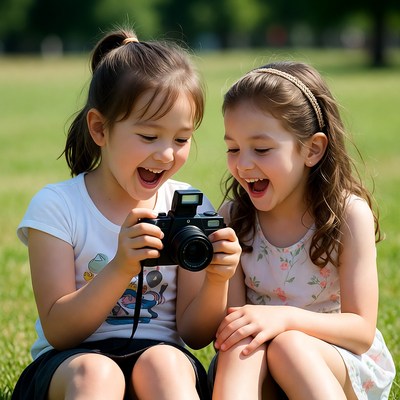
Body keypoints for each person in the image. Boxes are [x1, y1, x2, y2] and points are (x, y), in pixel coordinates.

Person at [12, 28, 241, 400]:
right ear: (100, 129)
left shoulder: (190, 206)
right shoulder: (57, 206)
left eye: (181, 140)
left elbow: (195, 335)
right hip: (71, 365)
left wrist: (218, 279)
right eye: (149, 137)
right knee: (97, 372)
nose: (166, 155)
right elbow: (59, 330)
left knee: (164, 364)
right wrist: (120, 266)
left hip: (162, 361)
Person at [210, 61, 395, 399]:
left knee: (289, 345)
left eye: (262, 149)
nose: (244, 163)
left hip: (335, 360)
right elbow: (235, 325)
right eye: (233, 148)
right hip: (259, 361)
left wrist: (283, 320)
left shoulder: (347, 215)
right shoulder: (234, 218)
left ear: (312, 149)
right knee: (243, 343)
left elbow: (360, 330)